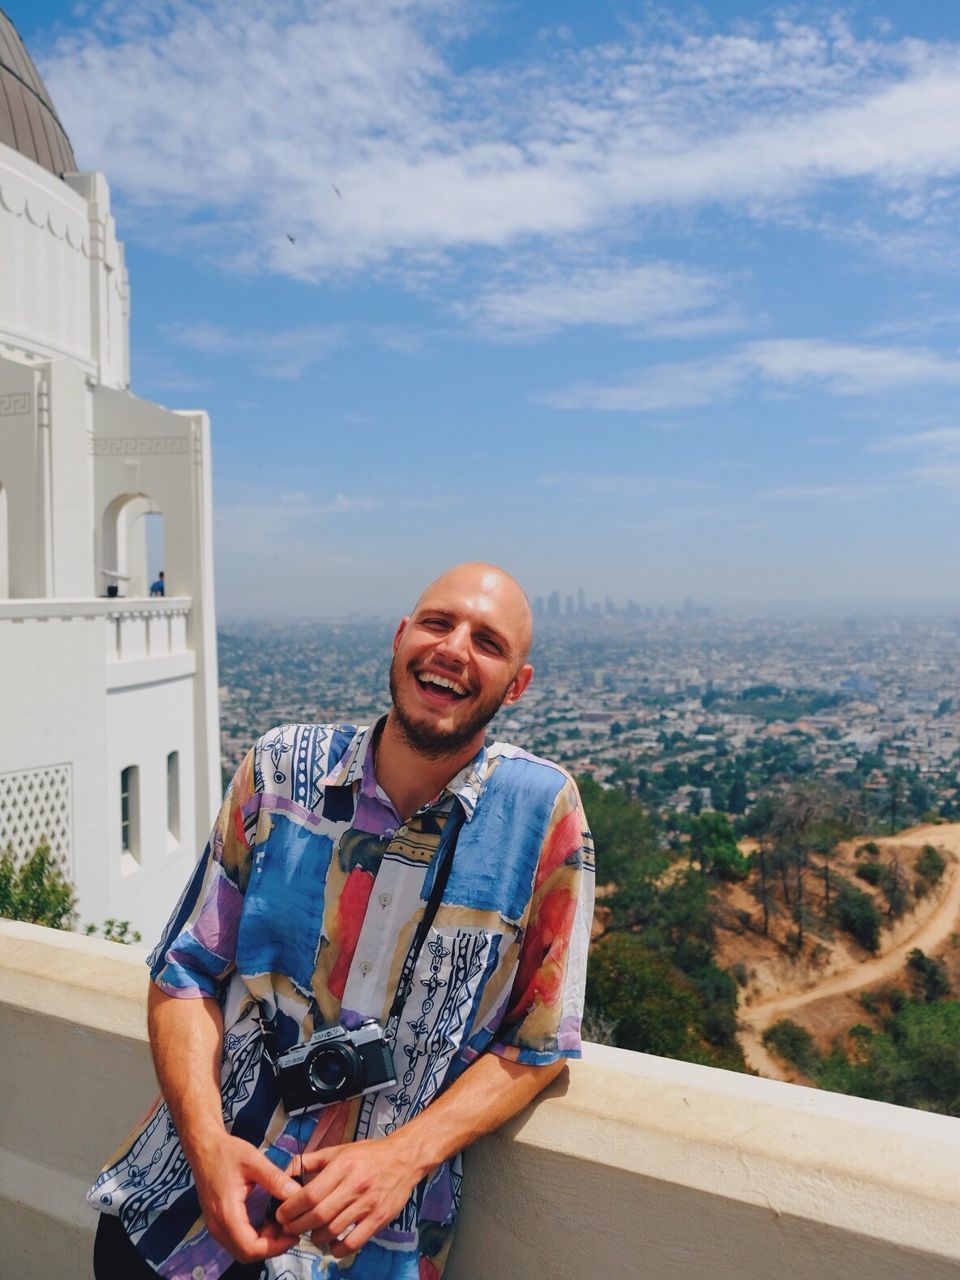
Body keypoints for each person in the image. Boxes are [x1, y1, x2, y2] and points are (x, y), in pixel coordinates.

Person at [88, 562, 595, 1280]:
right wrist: (205, 1145)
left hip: (354, 1248)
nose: (454, 648)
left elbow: (537, 1042)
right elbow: (184, 971)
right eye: (438, 622)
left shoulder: (540, 817)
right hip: (178, 1210)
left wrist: (404, 1154)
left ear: (517, 684)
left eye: (488, 641)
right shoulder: (279, 770)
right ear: (401, 637)